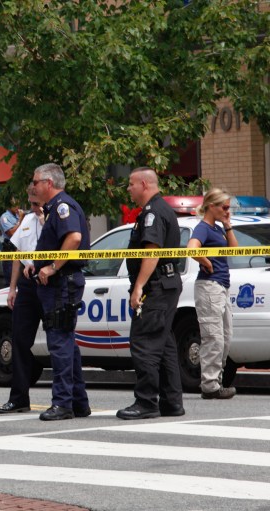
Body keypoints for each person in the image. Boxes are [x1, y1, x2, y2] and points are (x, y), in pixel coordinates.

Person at [117, 167, 185, 420]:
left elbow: (152, 252)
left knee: (144, 343)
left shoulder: (153, 213)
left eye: (131, 184)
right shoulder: (161, 209)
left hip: (156, 286)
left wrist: (139, 287)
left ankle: (146, 402)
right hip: (166, 284)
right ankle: (171, 402)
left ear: (144, 184)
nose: (128, 189)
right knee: (164, 343)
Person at [30, 163, 91, 421]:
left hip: (61, 284)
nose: (33, 187)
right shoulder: (54, 208)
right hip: (59, 284)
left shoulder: (62, 206)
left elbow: (74, 238)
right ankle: (77, 402)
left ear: (49, 183)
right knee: (65, 342)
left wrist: (52, 267)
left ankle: (63, 404)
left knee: (60, 344)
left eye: (35, 182)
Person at [0, 185, 45, 414]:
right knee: (19, 341)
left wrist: (45, 220)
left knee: (60, 340)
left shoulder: (54, 219)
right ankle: (18, 398)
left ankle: (72, 398)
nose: (33, 208)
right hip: (27, 284)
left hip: (49, 281)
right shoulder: (25, 221)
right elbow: (18, 255)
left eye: (37, 204)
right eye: (31, 203)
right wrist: (12, 288)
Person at [187, 188, 238, 400]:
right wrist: (205, 261)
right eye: (224, 207)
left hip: (222, 286)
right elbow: (192, 248)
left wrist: (228, 226)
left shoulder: (217, 228)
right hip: (209, 286)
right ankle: (210, 385)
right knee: (213, 337)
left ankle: (216, 380)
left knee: (226, 337)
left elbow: (234, 250)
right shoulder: (204, 228)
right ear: (211, 206)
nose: (227, 211)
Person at [0, 198, 22, 284]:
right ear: (8, 206)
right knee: (10, 278)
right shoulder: (5, 217)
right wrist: (20, 221)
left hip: (19, 250)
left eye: (18, 204)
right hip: (10, 250)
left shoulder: (18, 216)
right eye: (14, 205)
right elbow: (11, 233)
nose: (17, 207)